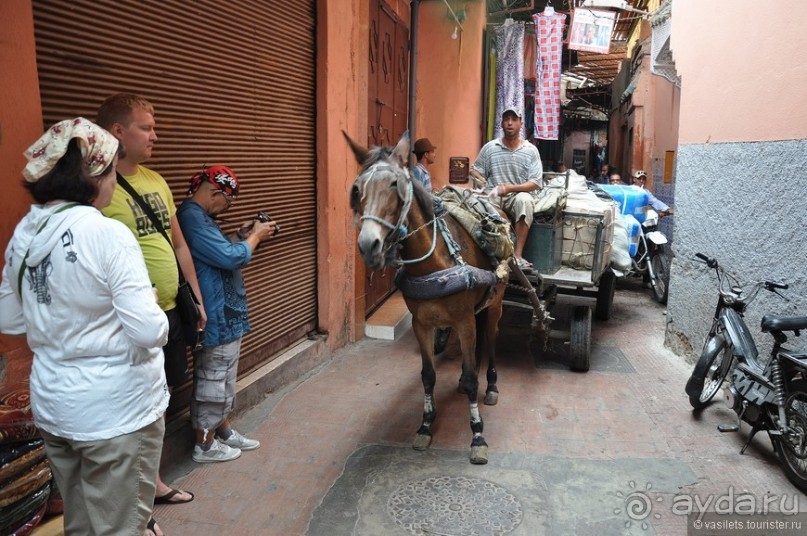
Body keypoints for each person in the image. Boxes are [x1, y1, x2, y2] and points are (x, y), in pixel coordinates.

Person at [0, 118, 169, 536]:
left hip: (56, 407)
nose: (114, 182)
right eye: (111, 171)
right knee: (120, 526)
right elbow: (149, 332)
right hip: (116, 414)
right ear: (94, 175)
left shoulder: (25, 233)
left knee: (81, 521)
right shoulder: (108, 233)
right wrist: (149, 304)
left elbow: (9, 318)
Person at [95, 94, 198, 513]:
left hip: (171, 309)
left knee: (163, 394)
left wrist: (195, 294)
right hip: (128, 318)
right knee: (129, 403)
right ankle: (132, 500)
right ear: (118, 131)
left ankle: (150, 482)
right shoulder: (97, 189)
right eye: (146, 127)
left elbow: (177, 243)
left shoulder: (156, 180)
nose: (155, 135)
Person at [176, 165, 277, 463]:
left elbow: (221, 251)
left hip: (226, 312)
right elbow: (230, 257)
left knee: (224, 376)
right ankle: (204, 445)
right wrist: (255, 237)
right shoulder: (191, 219)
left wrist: (239, 234)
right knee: (213, 377)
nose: (228, 206)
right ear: (214, 192)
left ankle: (223, 431)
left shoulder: (202, 219)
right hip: (215, 314)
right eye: (228, 201)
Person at [470, 107, 543, 269]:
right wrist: (482, 180)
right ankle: (481, 253)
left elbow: (536, 182)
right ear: (501, 124)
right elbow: (475, 170)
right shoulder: (490, 147)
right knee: (473, 203)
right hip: (494, 195)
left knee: (525, 201)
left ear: (520, 123)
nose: (510, 123)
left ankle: (517, 256)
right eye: (506, 119)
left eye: (514, 119)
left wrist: (510, 188)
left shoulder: (530, 151)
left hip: (517, 194)